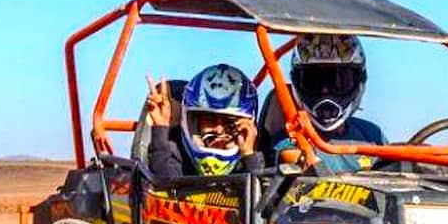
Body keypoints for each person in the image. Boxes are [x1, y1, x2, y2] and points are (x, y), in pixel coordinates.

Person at [269, 34, 385, 170]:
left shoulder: (371, 134)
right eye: (314, 81)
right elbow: (305, 171)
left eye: (338, 82)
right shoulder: (292, 140)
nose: (325, 92)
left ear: (358, 82)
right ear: (297, 82)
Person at [145, 64, 263, 178]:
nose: (218, 129)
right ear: (194, 122)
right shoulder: (178, 154)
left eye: (228, 121)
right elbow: (164, 183)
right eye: (210, 119)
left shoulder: (251, 163)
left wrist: (248, 155)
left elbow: (262, 196)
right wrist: (160, 128)